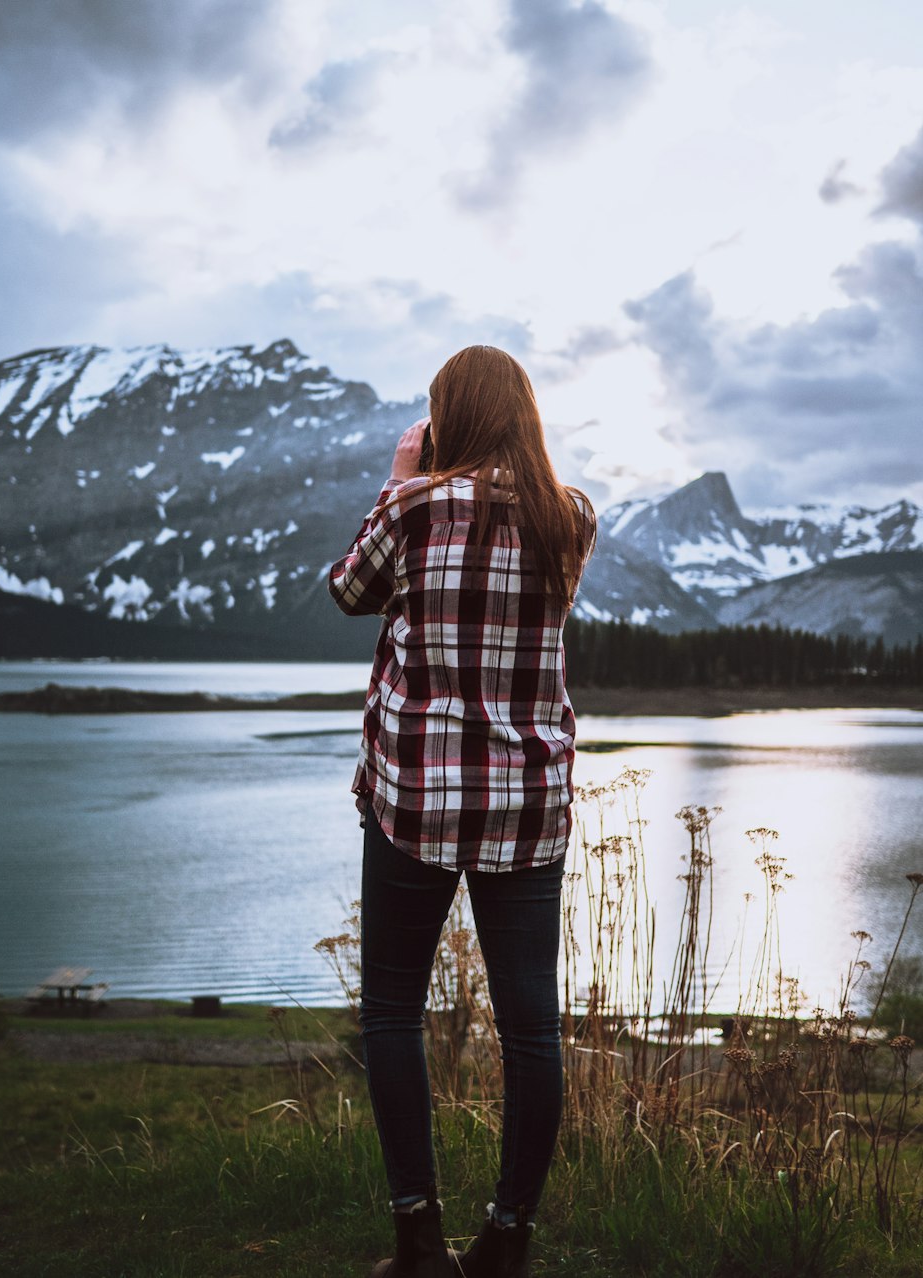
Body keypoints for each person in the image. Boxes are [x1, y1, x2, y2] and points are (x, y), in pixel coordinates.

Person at [328, 345, 596, 1278]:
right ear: (524, 415)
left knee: (393, 1012)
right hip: (529, 804)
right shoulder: (571, 519)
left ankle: (416, 1242)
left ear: (447, 418)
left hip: (416, 796)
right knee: (532, 1030)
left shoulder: (411, 508)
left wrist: (398, 479)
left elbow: (348, 592)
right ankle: (507, 1240)